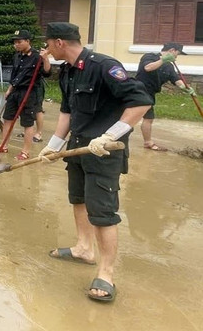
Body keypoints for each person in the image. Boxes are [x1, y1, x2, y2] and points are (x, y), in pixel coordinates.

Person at [38, 22, 151, 303]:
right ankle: (83, 249)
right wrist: (53, 146)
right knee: (79, 199)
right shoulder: (67, 72)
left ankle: (106, 272)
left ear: (60, 43)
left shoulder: (103, 66)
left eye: (49, 43)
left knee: (102, 212)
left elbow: (141, 101)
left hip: (103, 153)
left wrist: (110, 135)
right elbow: (67, 110)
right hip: (77, 149)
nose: (47, 49)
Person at [0, 30, 50, 160]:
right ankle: (3, 146)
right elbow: (15, 75)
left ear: (28, 41)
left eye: (19, 42)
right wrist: (9, 89)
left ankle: (25, 152)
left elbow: (47, 73)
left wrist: (46, 59)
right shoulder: (17, 56)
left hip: (28, 92)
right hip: (15, 91)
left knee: (27, 122)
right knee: (8, 119)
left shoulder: (37, 56)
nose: (16, 44)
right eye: (15, 42)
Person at [135, 42, 194, 151]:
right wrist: (163, 60)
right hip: (138, 90)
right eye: (177, 53)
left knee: (146, 118)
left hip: (150, 93)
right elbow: (148, 68)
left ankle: (147, 142)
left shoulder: (169, 66)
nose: (177, 56)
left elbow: (176, 79)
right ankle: (147, 142)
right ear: (172, 50)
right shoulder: (150, 56)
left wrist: (185, 87)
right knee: (146, 117)